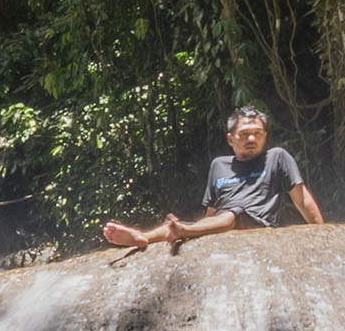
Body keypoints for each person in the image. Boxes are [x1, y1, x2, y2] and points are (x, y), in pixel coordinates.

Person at [102, 105, 328, 252]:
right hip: (224, 219)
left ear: (265, 136)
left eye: (257, 134)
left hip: (256, 221)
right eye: (244, 134)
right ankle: (143, 237)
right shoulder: (219, 165)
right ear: (230, 139)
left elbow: (302, 199)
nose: (251, 139)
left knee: (233, 214)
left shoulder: (277, 157)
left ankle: (182, 230)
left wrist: (323, 234)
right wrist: (201, 229)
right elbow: (211, 212)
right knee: (194, 223)